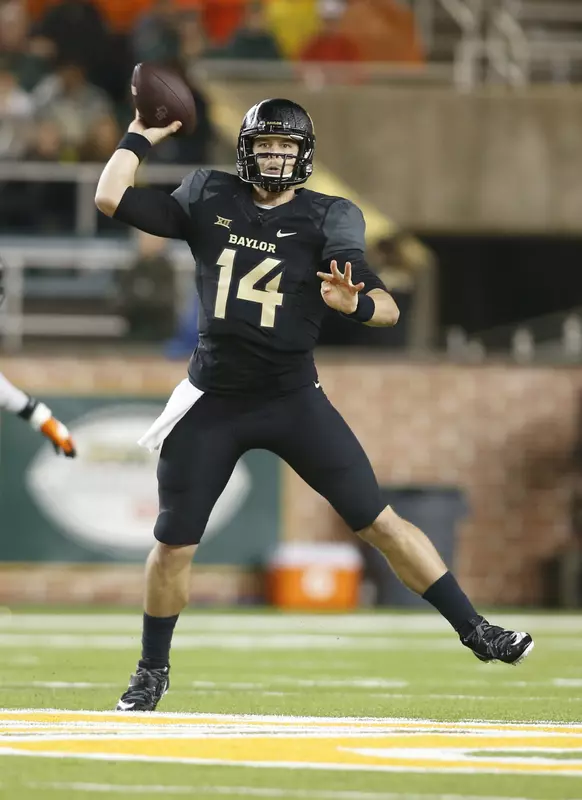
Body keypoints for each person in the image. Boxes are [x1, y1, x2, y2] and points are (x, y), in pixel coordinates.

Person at [95, 97, 533, 712]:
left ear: (303, 155)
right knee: (173, 545)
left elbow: (388, 308)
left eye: (286, 146)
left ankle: (476, 630)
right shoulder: (208, 193)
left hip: (291, 398)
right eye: (265, 144)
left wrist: (355, 303)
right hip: (212, 399)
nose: (275, 156)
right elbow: (110, 198)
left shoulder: (330, 215)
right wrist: (139, 134)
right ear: (246, 150)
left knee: (378, 520)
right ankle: (151, 671)